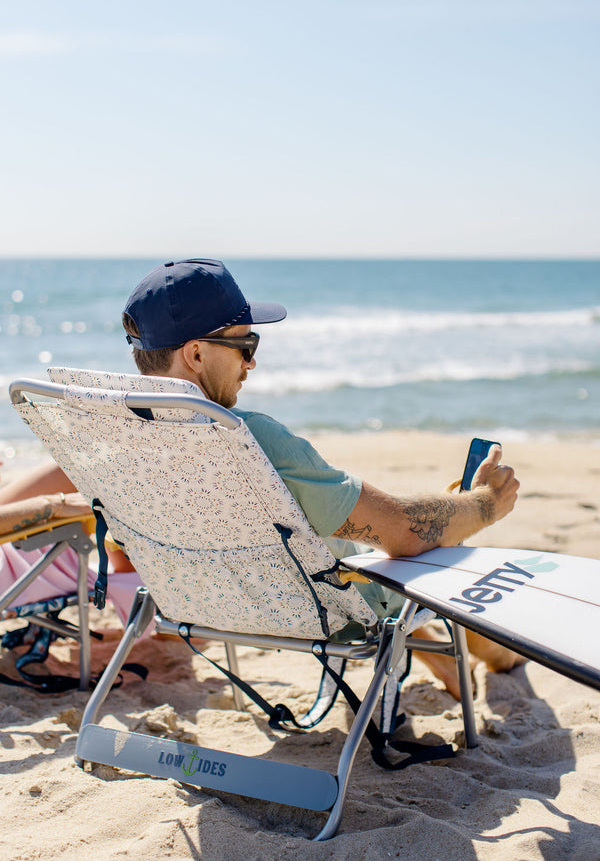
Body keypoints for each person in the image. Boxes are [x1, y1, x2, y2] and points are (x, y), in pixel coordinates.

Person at [121, 258, 522, 696]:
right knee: (433, 539)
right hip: (326, 610)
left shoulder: (118, 435)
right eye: (246, 345)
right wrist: (485, 503)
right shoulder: (248, 439)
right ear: (196, 354)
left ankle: (451, 660)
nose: (251, 364)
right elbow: (406, 534)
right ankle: (504, 658)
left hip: (204, 607)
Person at [0, 459, 142, 625]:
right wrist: (55, 505)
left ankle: (136, 587)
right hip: (13, 568)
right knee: (91, 470)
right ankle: (138, 591)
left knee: (93, 469)